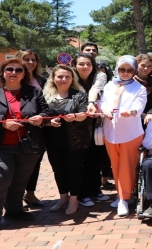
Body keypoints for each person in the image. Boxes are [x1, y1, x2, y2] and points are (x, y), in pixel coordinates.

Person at [0, 58, 49, 237]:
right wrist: (3, 123)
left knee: (19, 180)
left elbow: (46, 112)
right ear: (3, 72)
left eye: (19, 70)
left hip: (27, 146)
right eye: (9, 69)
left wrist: (40, 118)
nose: (14, 72)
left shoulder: (33, 92)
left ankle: (14, 210)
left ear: (24, 74)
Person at [101, 55, 147, 217]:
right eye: (122, 69)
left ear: (134, 71)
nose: (125, 73)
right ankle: (123, 194)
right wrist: (103, 109)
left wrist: (133, 111)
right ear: (117, 69)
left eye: (129, 70)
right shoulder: (109, 85)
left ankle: (124, 199)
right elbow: (103, 102)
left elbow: (139, 105)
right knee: (116, 165)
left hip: (130, 132)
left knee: (127, 166)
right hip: (111, 132)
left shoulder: (139, 88)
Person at [42, 65, 91, 215]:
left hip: (74, 140)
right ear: (53, 78)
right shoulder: (45, 96)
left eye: (67, 77)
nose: (63, 79)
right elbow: (40, 115)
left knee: (73, 170)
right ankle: (63, 197)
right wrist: (49, 123)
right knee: (58, 169)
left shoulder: (79, 95)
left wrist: (75, 117)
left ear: (72, 79)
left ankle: (74, 200)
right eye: (60, 76)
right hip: (52, 139)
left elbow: (84, 114)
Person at [71, 53, 111, 206]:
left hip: (95, 122)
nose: (85, 67)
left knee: (95, 158)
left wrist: (91, 102)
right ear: (74, 65)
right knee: (80, 160)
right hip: (76, 125)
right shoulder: (71, 77)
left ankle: (95, 190)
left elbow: (96, 88)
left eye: (88, 64)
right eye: (81, 64)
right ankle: (82, 194)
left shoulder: (99, 76)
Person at [16, 49, 47, 208]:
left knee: (35, 162)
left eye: (33, 59)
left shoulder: (41, 80)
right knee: (18, 164)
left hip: (38, 128)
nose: (30, 63)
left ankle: (30, 193)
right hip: (17, 128)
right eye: (26, 59)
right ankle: (16, 195)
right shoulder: (14, 79)